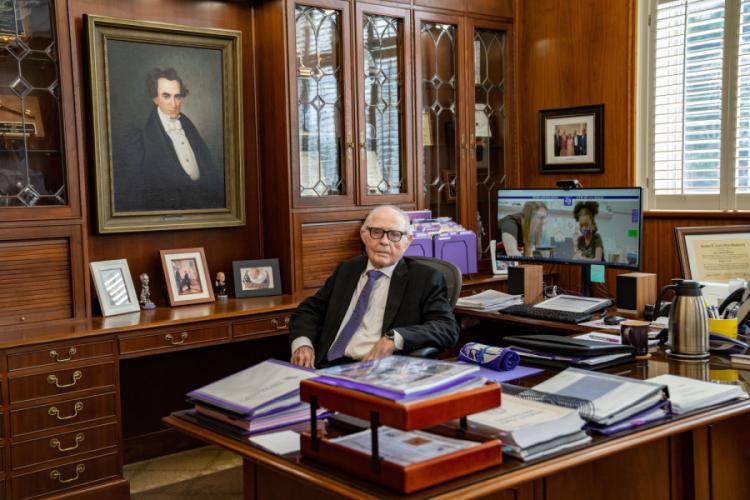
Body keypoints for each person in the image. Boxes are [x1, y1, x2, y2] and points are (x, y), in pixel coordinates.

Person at [288, 205, 459, 368]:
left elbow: (446, 327)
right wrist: (303, 344)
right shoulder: (348, 269)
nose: (384, 241)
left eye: (394, 235)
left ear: (407, 241)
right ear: (364, 236)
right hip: (324, 366)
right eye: (376, 232)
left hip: (375, 371)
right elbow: (309, 310)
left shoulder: (424, 279)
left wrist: (395, 338)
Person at [114, 67, 225, 212]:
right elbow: (133, 190)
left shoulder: (188, 125)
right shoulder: (141, 136)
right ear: (155, 99)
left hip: (201, 210)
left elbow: (209, 171)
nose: (174, 104)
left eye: (177, 96)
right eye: (166, 96)